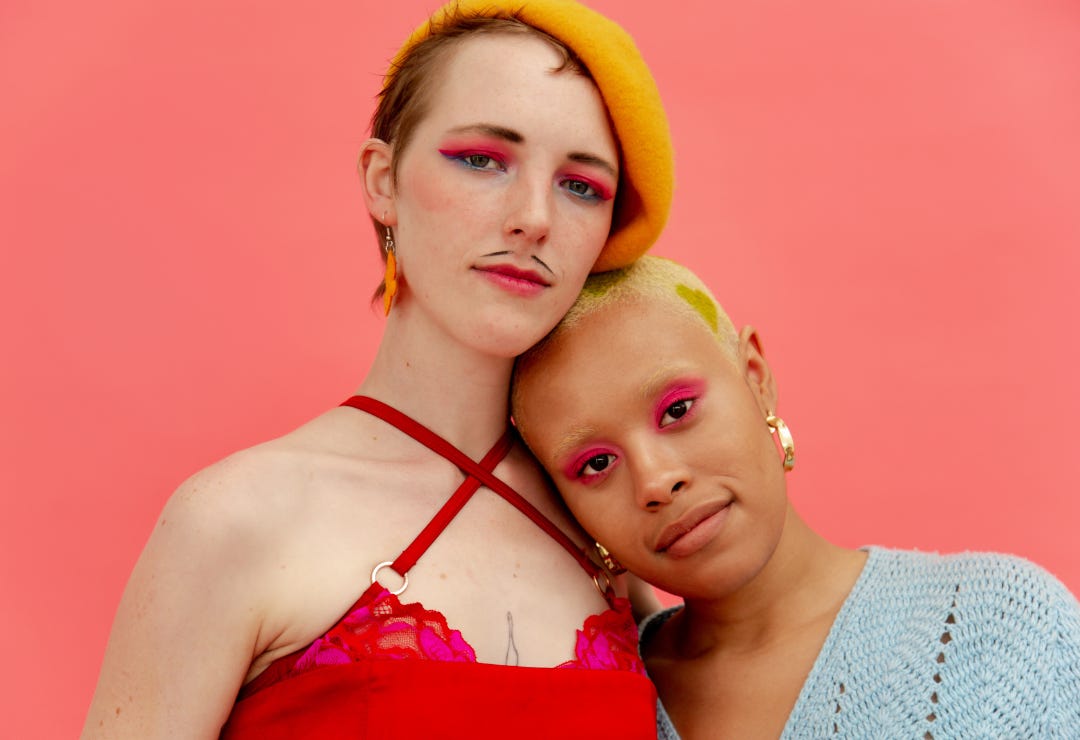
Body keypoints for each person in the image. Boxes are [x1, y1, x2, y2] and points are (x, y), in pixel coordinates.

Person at [81, 1, 674, 737]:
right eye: (483, 159)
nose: (534, 218)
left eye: (581, 185)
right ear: (382, 181)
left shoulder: (607, 533)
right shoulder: (235, 519)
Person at [511, 256, 1080, 739]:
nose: (656, 481)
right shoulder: (592, 702)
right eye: (595, 464)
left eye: (678, 410)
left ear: (755, 377)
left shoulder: (1000, 627)